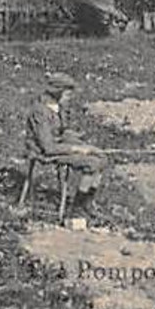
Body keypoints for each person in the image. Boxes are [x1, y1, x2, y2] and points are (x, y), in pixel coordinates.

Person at [25, 72, 108, 225]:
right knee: (92, 163)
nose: (70, 98)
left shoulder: (57, 107)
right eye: (68, 94)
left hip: (58, 144)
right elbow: (48, 147)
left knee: (101, 157)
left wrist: (82, 142)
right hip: (43, 151)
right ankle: (75, 209)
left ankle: (86, 202)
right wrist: (76, 149)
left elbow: (61, 131)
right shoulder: (40, 112)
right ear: (58, 92)